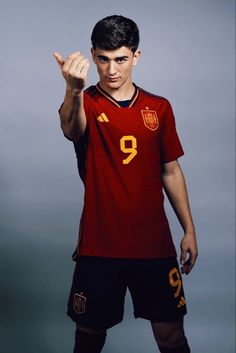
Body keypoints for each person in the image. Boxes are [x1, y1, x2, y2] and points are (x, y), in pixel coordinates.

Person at [54, 15, 198, 353]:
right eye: (102, 59)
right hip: (100, 245)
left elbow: (171, 170)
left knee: (172, 338)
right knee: (88, 338)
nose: (111, 69)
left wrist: (188, 229)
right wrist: (73, 89)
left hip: (153, 246)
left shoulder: (158, 108)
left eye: (120, 59)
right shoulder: (85, 101)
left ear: (136, 56)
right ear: (93, 55)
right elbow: (71, 129)